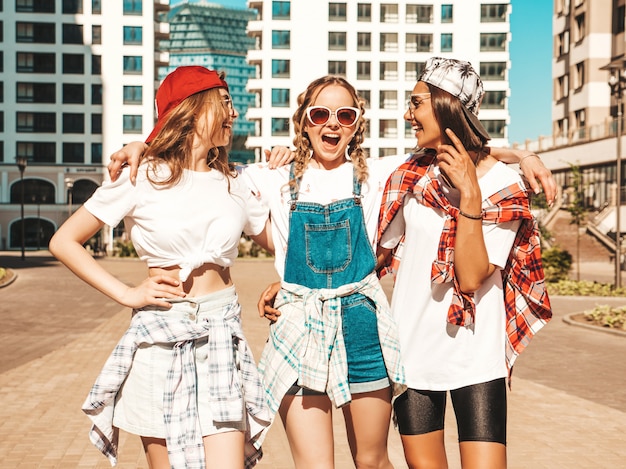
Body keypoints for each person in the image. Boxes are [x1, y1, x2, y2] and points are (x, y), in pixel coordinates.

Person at [106, 80, 556, 469]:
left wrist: (518, 153)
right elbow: (199, 168)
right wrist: (143, 148)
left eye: (345, 114)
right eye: (320, 113)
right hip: (299, 328)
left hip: (362, 327)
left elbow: (449, 148)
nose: (332, 123)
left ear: (357, 122)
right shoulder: (270, 180)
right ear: (304, 121)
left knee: (372, 460)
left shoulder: (381, 176)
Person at [49, 66, 273, 469]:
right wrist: (126, 294)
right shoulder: (141, 176)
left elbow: (283, 243)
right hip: (160, 337)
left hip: (221, 334)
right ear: (192, 109)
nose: (233, 112)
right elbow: (64, 241)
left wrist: (286, 174)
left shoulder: (236, 181)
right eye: (223, 102)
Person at [377, 57, 553, 469]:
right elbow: (374, 256)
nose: (408, 114)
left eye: (416, 102)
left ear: (445, 104)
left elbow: (471, 276)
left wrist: (470, 196)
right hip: (412, 356)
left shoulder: (504, 185)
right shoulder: (410, 174)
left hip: (476, 358)